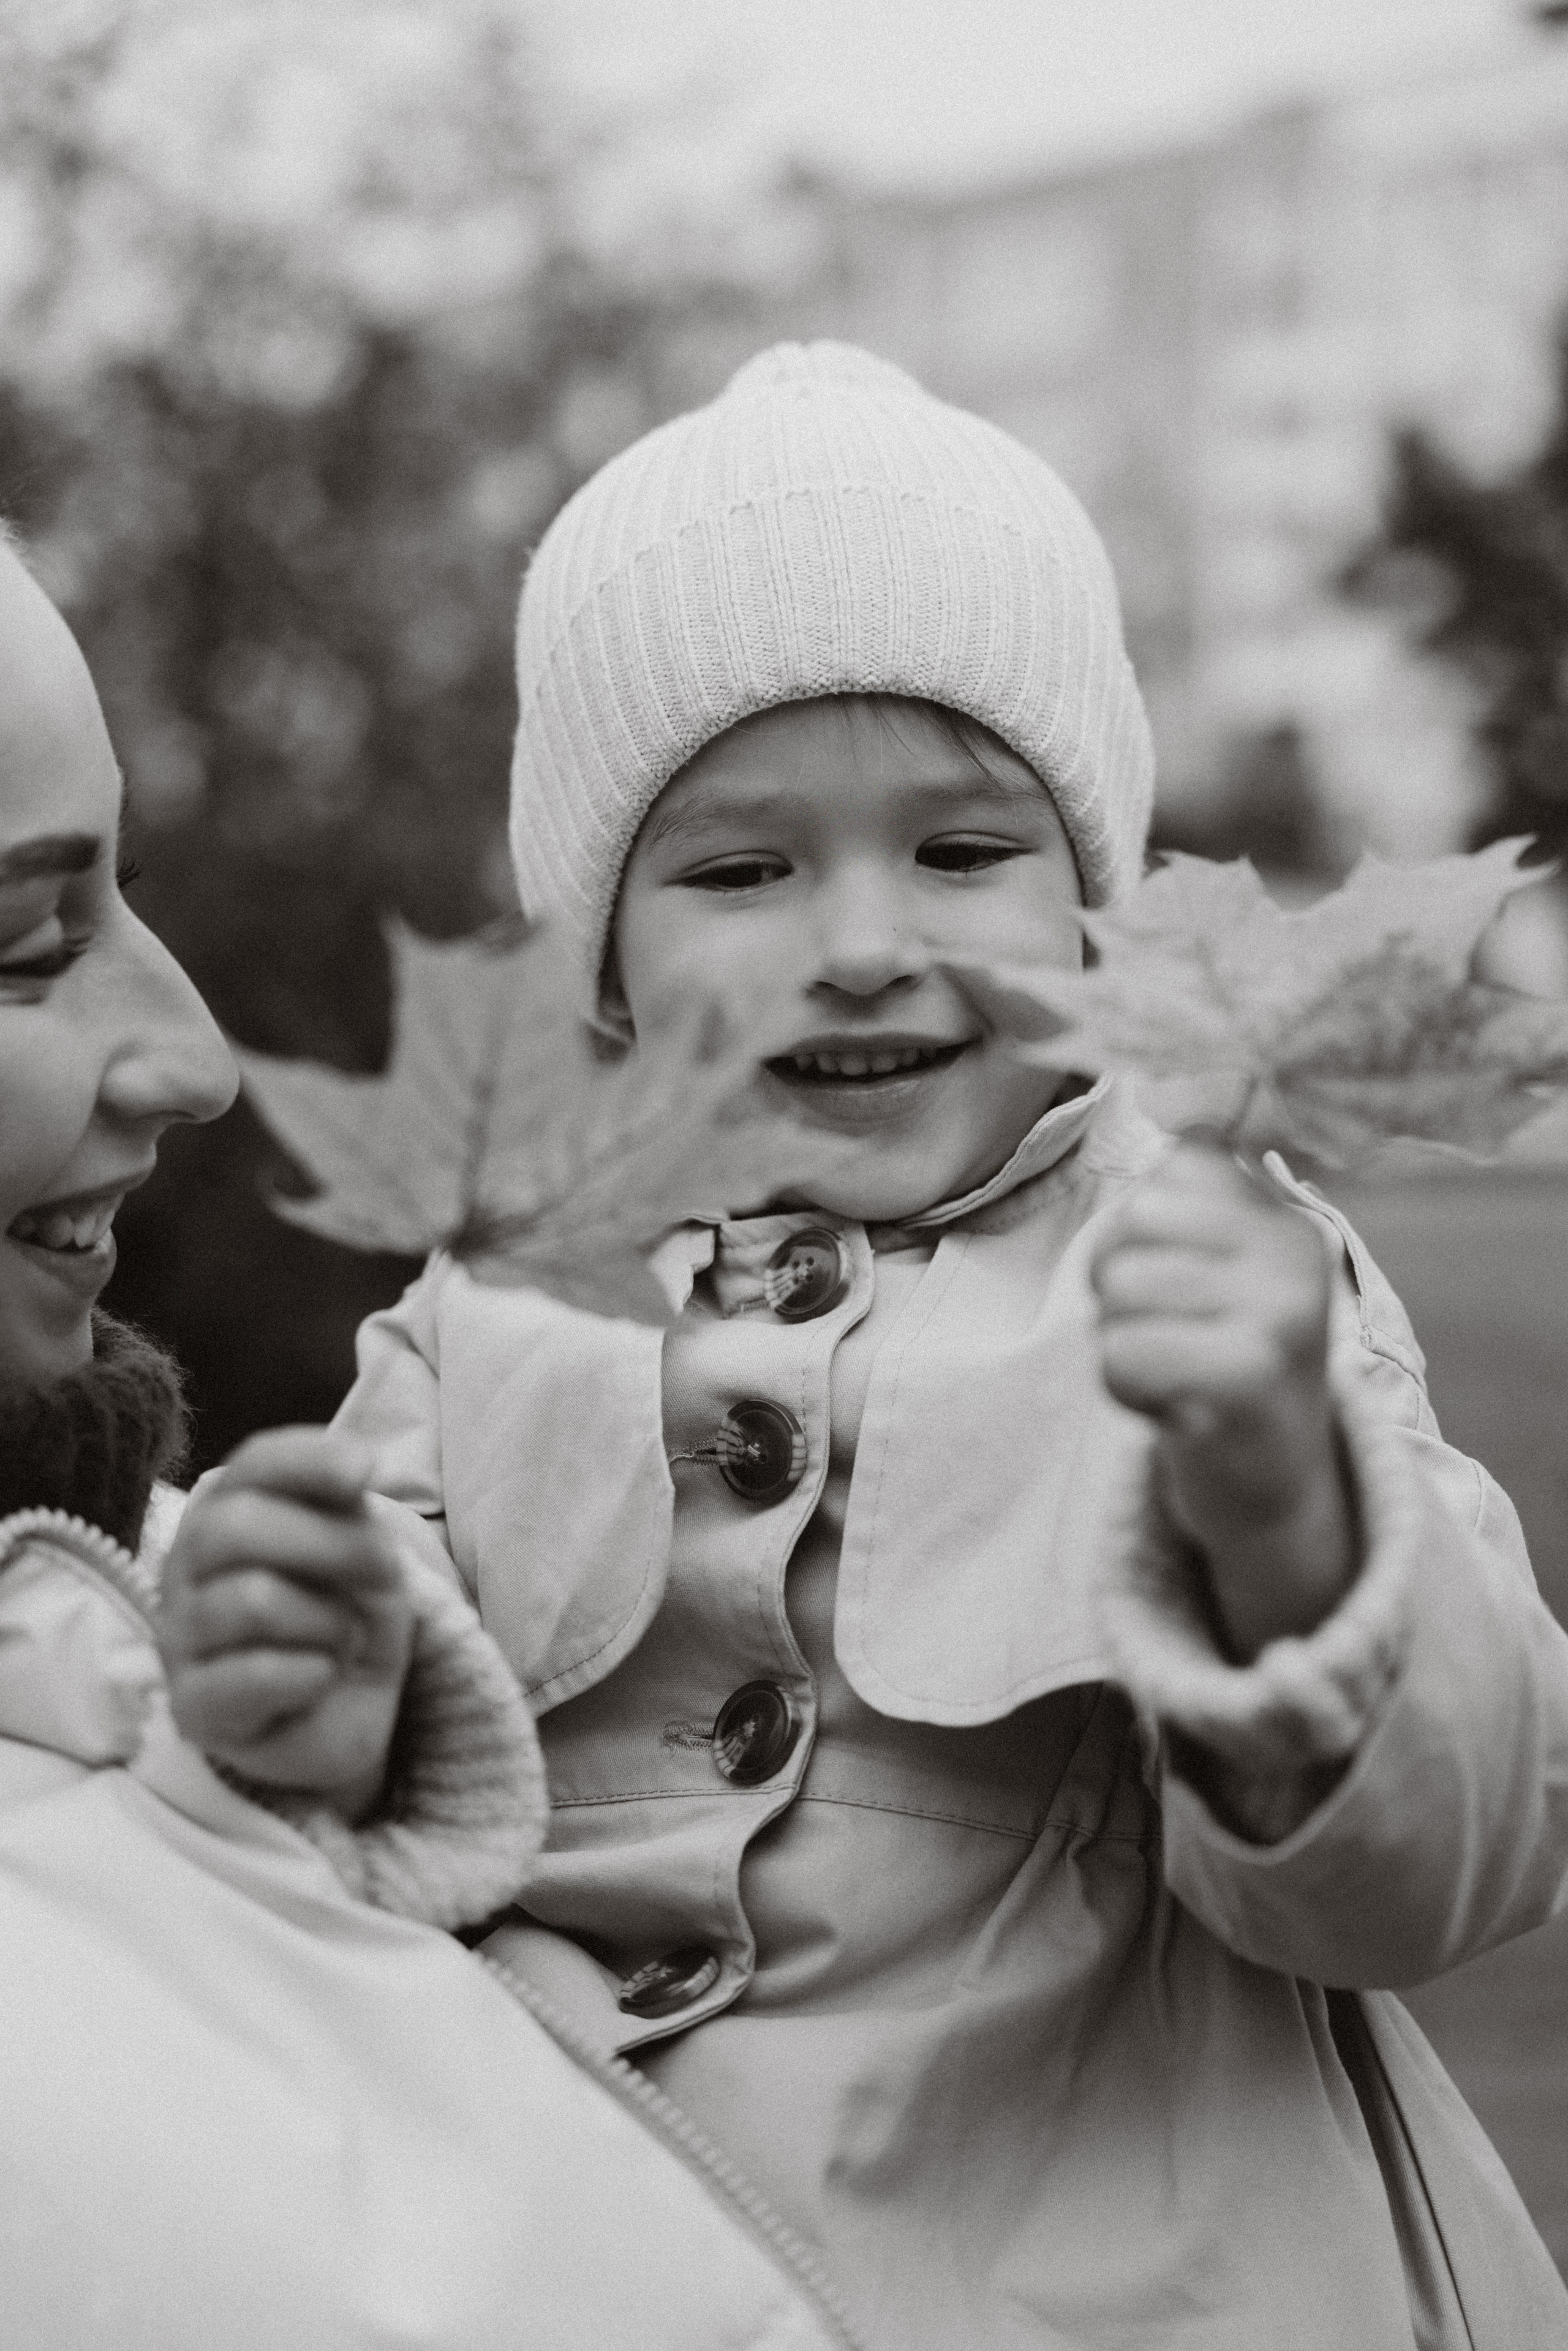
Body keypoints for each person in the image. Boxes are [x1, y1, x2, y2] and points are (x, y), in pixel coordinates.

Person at [187, 344, 1568, 2348]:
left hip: (1132, 2265)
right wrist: (314, 1692)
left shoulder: (1209, 1281)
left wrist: (1284, 1512)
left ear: (1093, 896)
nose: (861, 939)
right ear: (605, 949)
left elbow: (1436, 1872)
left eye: (964, 852)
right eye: (741, 870)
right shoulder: (493, 1307)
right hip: (575, 2255)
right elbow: (338, 1749)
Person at [0, 523, 856, 2351]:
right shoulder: (494, 1340)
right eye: (20, 944)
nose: (200, 1053)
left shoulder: (125, 1608)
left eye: (967, 853)